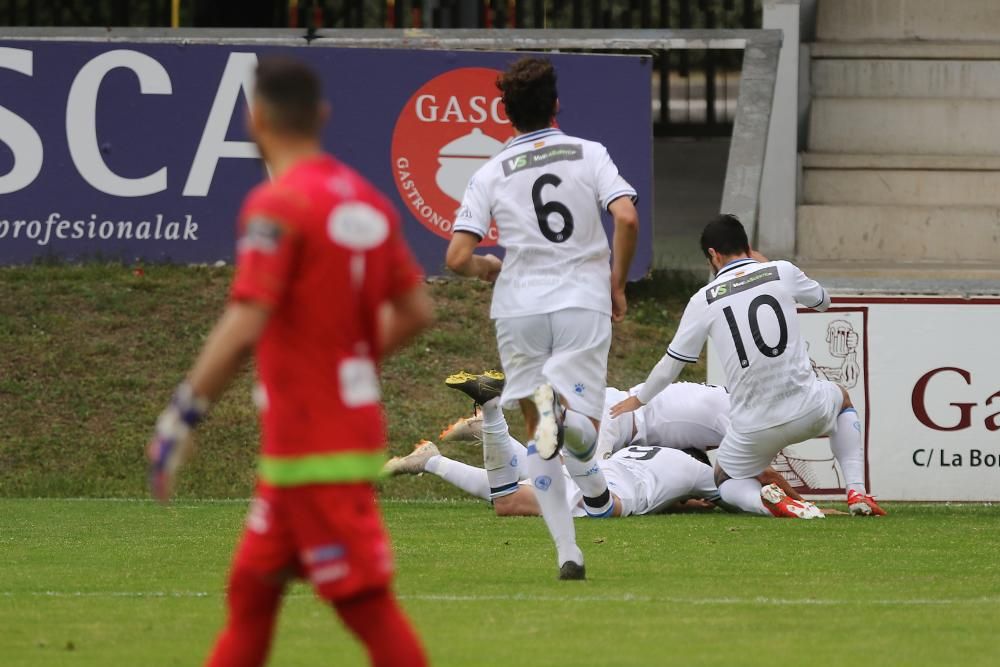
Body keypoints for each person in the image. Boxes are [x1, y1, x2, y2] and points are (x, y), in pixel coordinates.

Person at [145, 57, 431, 667]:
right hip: (323, 442)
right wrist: (345, 355)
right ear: (322, 116)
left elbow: (246, 318)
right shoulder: (367, 201)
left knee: (366, 608)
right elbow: (415, 311)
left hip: (311, 447)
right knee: (251, 593)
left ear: (255, 119)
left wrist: (181, 416)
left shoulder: (277, 204)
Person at [444, 57, 640, 580]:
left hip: (518, 307)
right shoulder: (589, 153)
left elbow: (457, 258)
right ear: (555, 104)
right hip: (580, 300)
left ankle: (568, 554)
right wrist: (616, 282)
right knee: (580, 430)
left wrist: (488, 266)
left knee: (540, 436)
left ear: (505, 113)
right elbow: (625, 216)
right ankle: (570, 424)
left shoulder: (489, 172)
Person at [610, 214, 886, 519]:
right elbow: (823, 301)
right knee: (842, 399)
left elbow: (671, 364)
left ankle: (771, 504)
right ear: (748, 247)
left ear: (713, 255)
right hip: (808, 409)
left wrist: (640, 399)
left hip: (754, 426)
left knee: (725, 479)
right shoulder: (782, 270)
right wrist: (769, 268)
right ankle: (857, 491)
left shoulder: (703, 299)